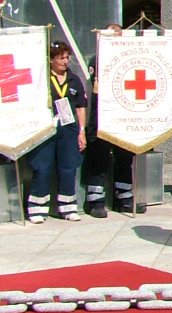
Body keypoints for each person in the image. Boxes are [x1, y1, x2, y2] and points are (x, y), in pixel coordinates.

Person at [82, 23, 140, 218]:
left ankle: (123, 197)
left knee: (125, 158)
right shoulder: (97, 59)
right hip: (101, 119)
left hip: (123, 118)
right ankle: (95, 200)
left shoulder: (131, 60)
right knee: (99, 159)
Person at [27, 41, 88, 223]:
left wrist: (81, 131)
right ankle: (37, 208)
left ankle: (68, 207)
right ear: (51, 59)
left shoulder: (73, 79)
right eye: (61, 58)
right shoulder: (42, 78)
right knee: (42, 168)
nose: (65, 61)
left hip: (68, 128)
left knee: (68, 168)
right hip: (46, 127)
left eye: (67, 58)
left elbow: (81, 107)